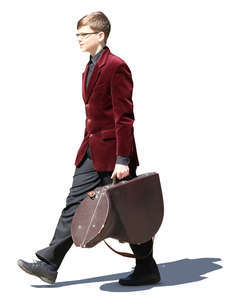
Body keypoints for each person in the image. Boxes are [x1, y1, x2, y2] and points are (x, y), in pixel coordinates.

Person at [17, 11, 160, 286]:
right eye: (78, 35)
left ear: (100, 35)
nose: (78, 39)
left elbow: (124, 117)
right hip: (91, 153)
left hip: (115, 155)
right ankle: (49, 264)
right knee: (74, 204)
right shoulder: (90, 66)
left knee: (129, 213)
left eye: (83, 34)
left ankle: (147, 267)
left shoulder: (116, 66)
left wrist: (123, 159)